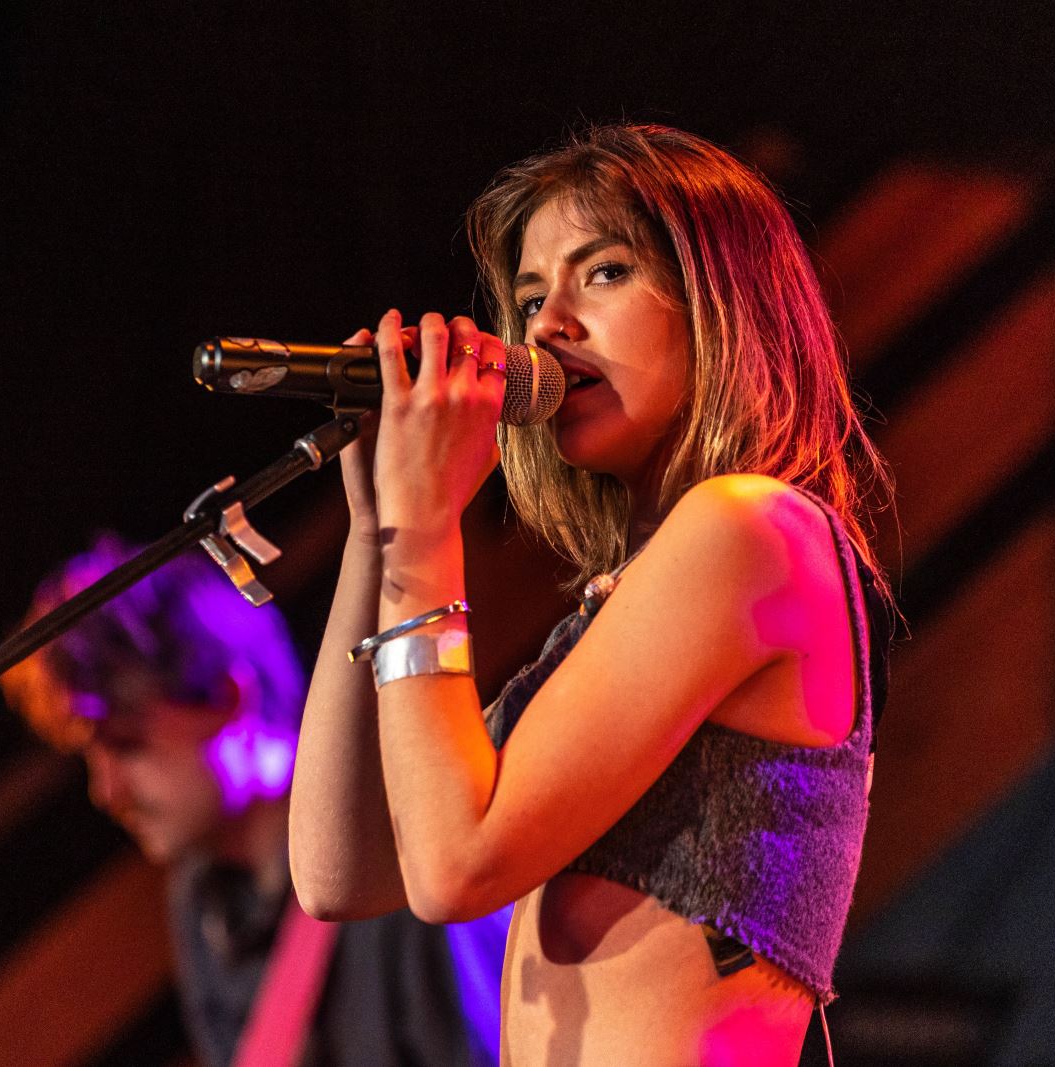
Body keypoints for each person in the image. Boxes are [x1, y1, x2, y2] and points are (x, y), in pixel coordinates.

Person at [288, 124, 896, 1066]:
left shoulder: (752, 529)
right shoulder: (633, 592)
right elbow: (340, 869)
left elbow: (455, 868)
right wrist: (378, 531)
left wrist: (428, 526)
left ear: (720, 304)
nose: (545, 327)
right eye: (529, 296)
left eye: (603, 272)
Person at [0, 536, 504, 1067]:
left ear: (227, 696)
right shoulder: (201, 909)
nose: (106, 791)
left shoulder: (399, 843)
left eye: (128, 746)